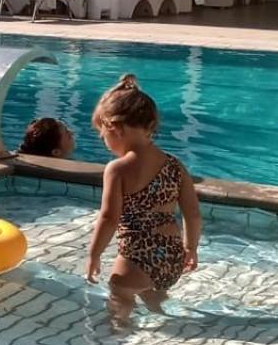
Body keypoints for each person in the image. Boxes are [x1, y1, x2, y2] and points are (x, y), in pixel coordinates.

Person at [86, 74, 201, 325]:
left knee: (119, 290)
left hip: (138, 255)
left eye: (102, 134)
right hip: (171, 257)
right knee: (152, 293)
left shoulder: (118, 169)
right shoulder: (176, 165)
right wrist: (190, 248)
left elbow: (109, 218)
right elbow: (192, 213)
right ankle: (163, 316)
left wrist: (94, 254)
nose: (104, 142)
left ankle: (119, 331)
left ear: (115, 127)